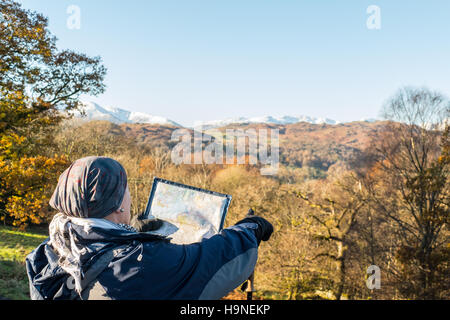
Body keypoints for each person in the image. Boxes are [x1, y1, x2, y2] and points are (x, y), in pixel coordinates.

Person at [26, 156, 273, 300]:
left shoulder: (47, 252)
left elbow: (102, 248)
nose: (129, 197)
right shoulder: (140, 264)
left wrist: (131, 235)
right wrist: (250, 229)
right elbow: (208, 262)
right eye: (126, 191)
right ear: (117, 204)